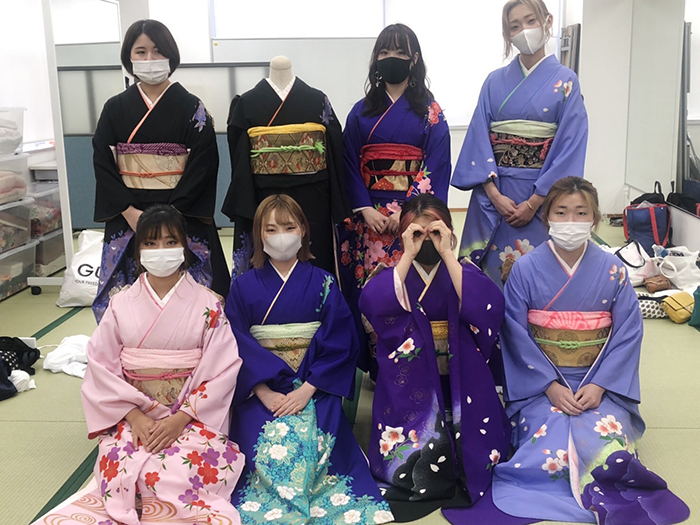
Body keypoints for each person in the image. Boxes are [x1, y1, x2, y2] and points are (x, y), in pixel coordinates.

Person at [493, 177, 689, 524]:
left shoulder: (613, 270)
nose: (571, 221)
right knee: (547, 443)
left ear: (595, 218)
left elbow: (628, 334)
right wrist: (550, 387)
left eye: (580, 212)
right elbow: (514, 333)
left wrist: (600, 385)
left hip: (599, 383)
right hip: (540, 384)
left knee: (605, 440)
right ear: (547, 217)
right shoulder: (524, 268)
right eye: (561, 212)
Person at [34, 205, 244, 524]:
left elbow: (223, 369)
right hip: (134, 418)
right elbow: (100, 366)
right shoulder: (121, 304)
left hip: (191, 417)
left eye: (170, 242)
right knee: (123, 468)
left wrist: (180, 419)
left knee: (177, 471)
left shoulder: (209, 304)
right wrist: (135, 417)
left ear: (185, 246)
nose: (161, 250)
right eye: (150, 242)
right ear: (138, 250)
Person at [225, 195, 393, 524]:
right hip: (261, 388)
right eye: (271, 229)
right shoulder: (242, 287)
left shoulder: (324, 283)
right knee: (264, 443)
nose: (281, 236)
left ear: (303, 230)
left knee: (316, 442)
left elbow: (341, 341)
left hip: (315, 385)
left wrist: (307, 389)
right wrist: (263, 391)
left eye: (289, 227)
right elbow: (235, 343)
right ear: (259, 234)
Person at [359, 194, 510, 522]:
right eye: (417, 232)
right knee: (410, 447)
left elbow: (489, 306)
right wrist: (407, 255)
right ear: (404, 234)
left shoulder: (461, 270)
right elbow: (373, 303)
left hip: (461, 374)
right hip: (412, 381)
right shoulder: (395, 273)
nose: (426, 238)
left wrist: (447, 253)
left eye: (435, 231)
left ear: (449, 231)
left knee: (478, 447)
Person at [92, 19, 229, 323]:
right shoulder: (114, 107)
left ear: (171, 55)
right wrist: (128, 211)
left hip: (182, 212)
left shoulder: (192, 107)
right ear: (129, 57)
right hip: (129, 213)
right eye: (141, 52)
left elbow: (203, 163)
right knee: (125, 298)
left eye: (157, 50)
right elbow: (103, 161)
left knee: (200, 298)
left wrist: (173, 215)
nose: (150, 59)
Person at [451, 0, 588, 288]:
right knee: (489, 280)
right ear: (507, 34)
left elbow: (570, 146)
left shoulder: (566, 82)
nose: (524, 30)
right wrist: (494, 195)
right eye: (515, 26)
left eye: (530, 21)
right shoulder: (493, 82)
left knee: (539, 281)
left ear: (547, 21)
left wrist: (534, 202)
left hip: (543, 196)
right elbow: (478, 139)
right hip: (496, 194)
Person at [340, 23, 451, 375]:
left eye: (400, 52)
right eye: (385, 52)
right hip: (370, 219)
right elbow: (348, 163)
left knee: (412, 286)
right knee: (373, 289)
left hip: (412, 219)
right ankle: (378, 364)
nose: (392, 58)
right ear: (376, 59)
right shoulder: (360, 112)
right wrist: (364, 208)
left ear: (414, 59)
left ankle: (413, 360)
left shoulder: (430, 112)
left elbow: (436, 163)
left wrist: (408, 212)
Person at [222, 56, 349, 279]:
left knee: (315, 260)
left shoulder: (317, 100)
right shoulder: (247, 103)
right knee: (264, 262)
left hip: (313, 198)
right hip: (263, 195)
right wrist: (246, 204)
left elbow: (334, 151)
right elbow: (239, 159)